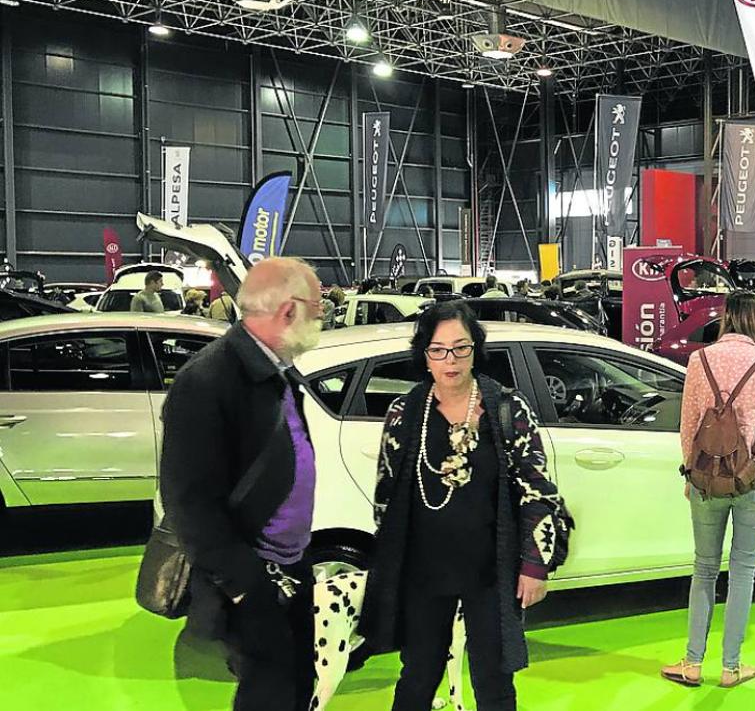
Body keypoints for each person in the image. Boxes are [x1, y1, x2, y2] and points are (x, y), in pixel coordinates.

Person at [361, 302, 565, 711]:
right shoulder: (405, 413)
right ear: (424, 353)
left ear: (476, 349)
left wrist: (533, 565)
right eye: (438, 349)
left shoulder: (507, 409)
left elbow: (537, 492)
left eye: (460, 348)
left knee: (494, 680)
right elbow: (386, 496)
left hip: (491, 570)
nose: (449, 360)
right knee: (418, 673)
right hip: (424, 572)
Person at [159, 257, 326, 711]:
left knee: (295, 686)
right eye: (319, 306)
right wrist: (246, 586)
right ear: (289, 310)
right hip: (253, 580)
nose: (323, 316)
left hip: (289, 570)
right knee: (268, 694)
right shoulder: (208, 380)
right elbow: (189, 502)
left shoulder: (275, 370)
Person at [662, 290, 755, 689]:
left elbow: (688, 423)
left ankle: (692, 662)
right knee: (743, 570)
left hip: (706, 479)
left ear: (726, 319)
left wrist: (691, 472)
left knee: (703, 569)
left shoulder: (699, 361)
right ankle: (731, 667)